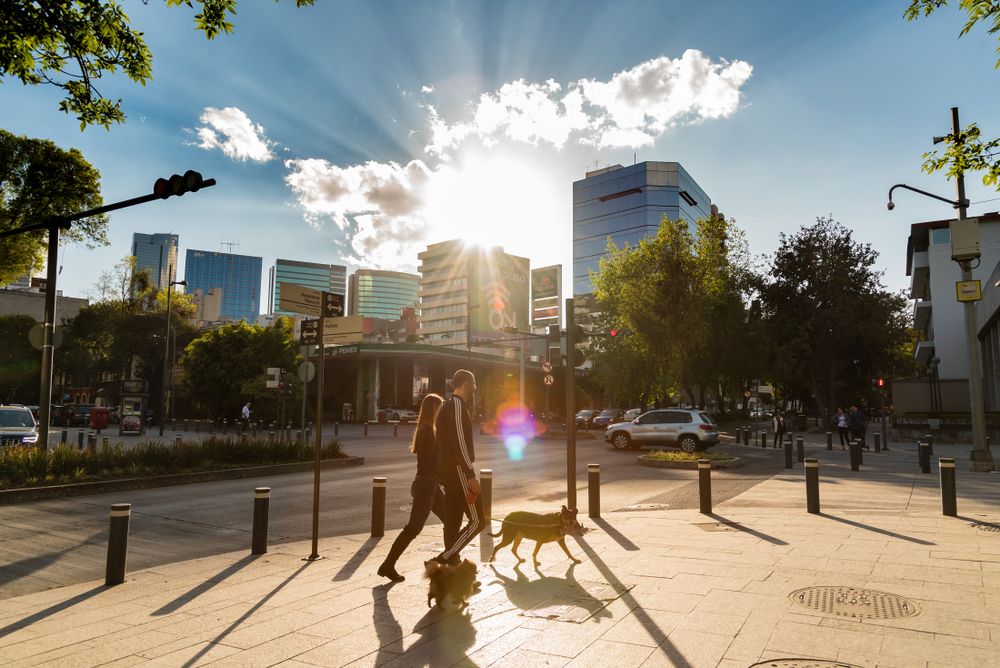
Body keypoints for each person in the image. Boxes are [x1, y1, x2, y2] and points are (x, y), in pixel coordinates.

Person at [377, 393, 447, 582]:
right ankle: (388, 565)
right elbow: (430, 463)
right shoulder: (426, 430)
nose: (440, 412)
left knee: (451, 520)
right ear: (433, 408)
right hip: (426, 485)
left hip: (431, 484)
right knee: (413, 528)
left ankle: (445, 559)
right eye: (439, 408)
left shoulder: (429, 428)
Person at [433, 369, 485, 566]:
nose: (475, 388)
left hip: (449, 471)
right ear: (465, 384)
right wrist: (470, 475)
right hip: (458, 471)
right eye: (473, 383)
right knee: (478, 521)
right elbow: (460, 443)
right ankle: (444, 558)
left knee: (452, 521)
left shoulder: (451, 405)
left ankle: (451, 565)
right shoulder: (455, 405)